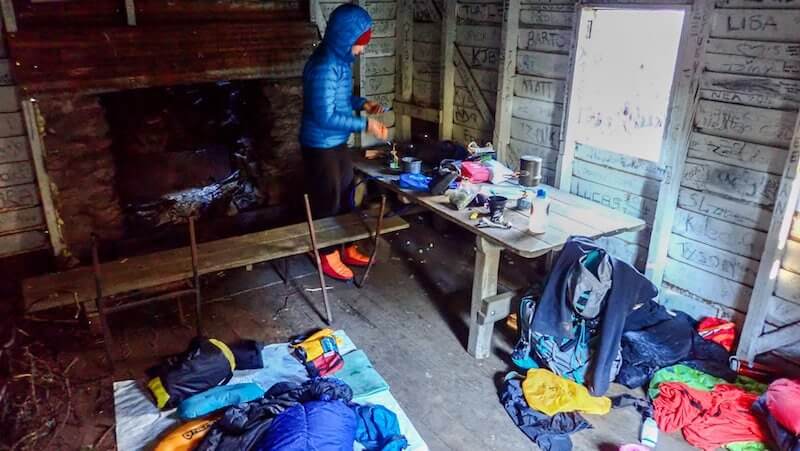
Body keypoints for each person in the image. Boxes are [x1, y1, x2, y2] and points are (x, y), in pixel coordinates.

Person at [300, 4, 389, 281]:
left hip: (335, 141)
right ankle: (325, 253)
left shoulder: (340, 61)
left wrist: (363, 103)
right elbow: (324, 115)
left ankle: (345, 245)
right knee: (328, 199)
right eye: (359, 44)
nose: (361, 50)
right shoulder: (324, 65)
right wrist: (365, 124)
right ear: (343, 37)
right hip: (319, 143)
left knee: (347, 192)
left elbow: (339, 101)